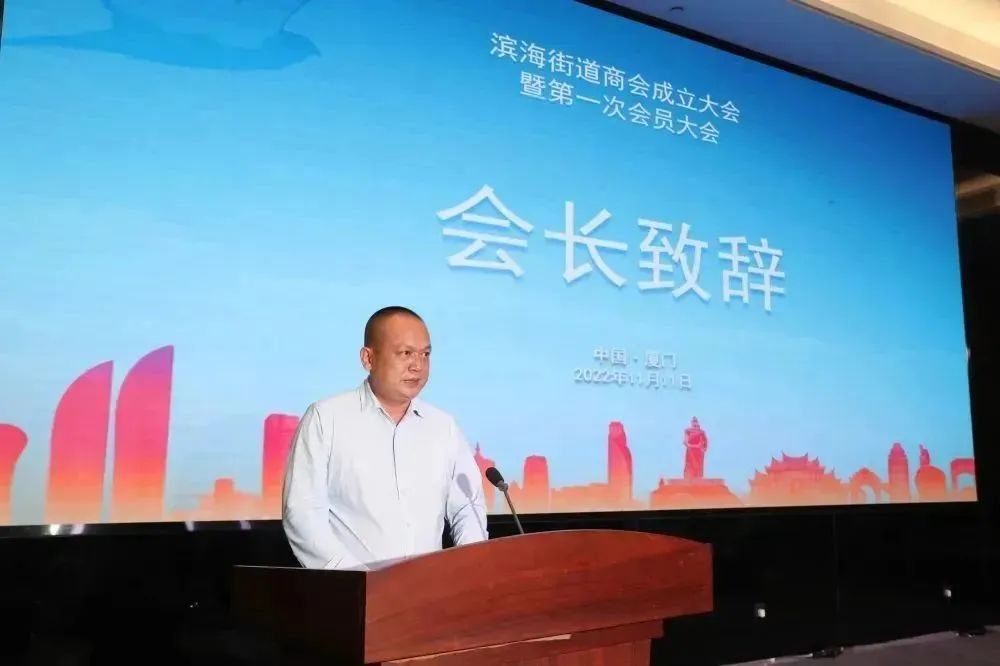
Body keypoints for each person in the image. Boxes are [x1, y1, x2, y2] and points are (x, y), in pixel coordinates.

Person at [281, 306, 488, 570]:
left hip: (429, 588)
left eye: (425, 354)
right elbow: (303, 515)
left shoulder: (443, 427)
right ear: (368, 358)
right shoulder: (326, 419)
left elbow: (468, 508)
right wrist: (361, 579)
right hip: (353, 588)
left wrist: (470, 567)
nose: (418, 366)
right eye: (405, 353)